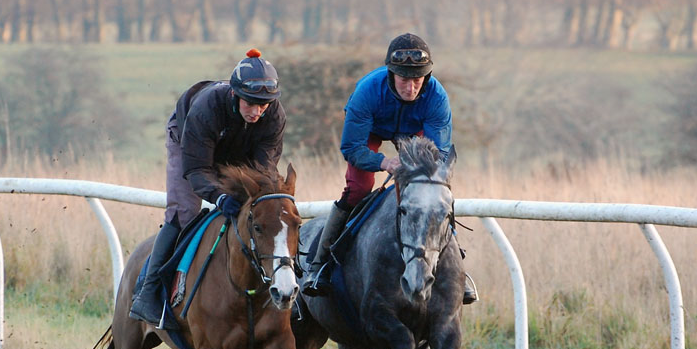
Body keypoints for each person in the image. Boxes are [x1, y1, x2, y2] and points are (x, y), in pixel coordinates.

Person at [301, 33, 478, 304]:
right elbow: (351, 148)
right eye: (404, 80)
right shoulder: (367, 91)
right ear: (390, 74)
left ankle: (457, 267)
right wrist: (384, 162)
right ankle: (321, 263)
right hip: (371, 131)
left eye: (417, 80)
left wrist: (417, 170)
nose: (410, 88)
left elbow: (440, 155)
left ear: (426, 77)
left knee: (432, 190)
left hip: (415, 132)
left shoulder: (437, 97)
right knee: (359, 188)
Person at [129, 48, 286, 327]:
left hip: (236, 146)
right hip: (188, 140)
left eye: (264, 105)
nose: (257, 112)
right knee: (185, 211)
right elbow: (197, 169)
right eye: (251, 103)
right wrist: (219, 196)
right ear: (236, 95)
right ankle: (148, 293)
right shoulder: (207, 108)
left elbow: (265, 170)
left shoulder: (272, 115)